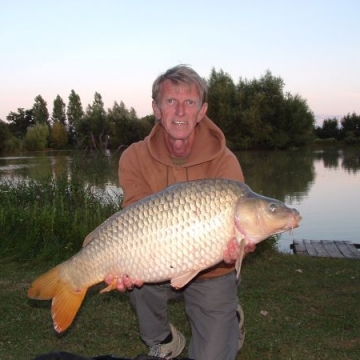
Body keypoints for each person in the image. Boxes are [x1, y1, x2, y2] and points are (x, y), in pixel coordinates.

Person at [104, 65, 254, 360]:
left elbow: (243, 230)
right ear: (156, 109)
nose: (181, 111)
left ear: (202, 111)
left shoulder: (226, 162)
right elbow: (134, 224)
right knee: (130, 267)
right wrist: (123, 265)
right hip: (159, 263)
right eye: (171, 101)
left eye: (190, 102)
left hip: (214, 271)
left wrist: (238, 250)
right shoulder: (134, 157)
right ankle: (164, 339)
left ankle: (228, 320)